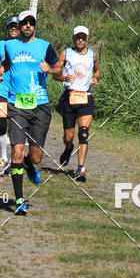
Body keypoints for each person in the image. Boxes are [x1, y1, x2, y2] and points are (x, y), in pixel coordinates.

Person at [0, 10, 60, 216]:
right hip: (17, 105)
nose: (27, 26)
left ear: (35, 26)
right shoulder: (10, 46)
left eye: (31, 23)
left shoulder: (44, 46)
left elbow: (59, 68)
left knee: (36, 157)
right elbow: (7, 62)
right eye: (24, 23)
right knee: (17, 151)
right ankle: (20, 199)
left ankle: (30, 166)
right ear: (20, 26)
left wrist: (49, 69)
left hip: (40, 106)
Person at [54, 25, 100, 182]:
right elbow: (55, 74)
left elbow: (98, 71)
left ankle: (81, 169)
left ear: (87, 39)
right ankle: (68, 147)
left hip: (85, 98)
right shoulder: (66, 53)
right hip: (69, 98)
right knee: (69, 136)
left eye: (83, 37)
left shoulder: (93, 55)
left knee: (84, 133)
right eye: (78, 37)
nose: (80, 40)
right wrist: (64, 78)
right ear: (73, 38)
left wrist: (95, 79)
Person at [0, 15, 20, 176]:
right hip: (1, 86)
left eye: (16, 26)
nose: (13, 28)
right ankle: (2, 158)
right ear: (7, 28)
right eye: (11, 26)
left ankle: (16, 159)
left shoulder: (27, 45)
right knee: (1, 122)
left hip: (19, 89)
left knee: (16, 127)